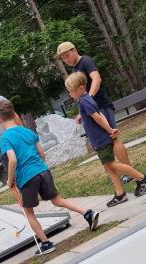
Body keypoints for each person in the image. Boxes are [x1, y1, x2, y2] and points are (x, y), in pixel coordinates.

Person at [0, 99, 99, 255]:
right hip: (43, 170)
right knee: (57, 200)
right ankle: (87, 212)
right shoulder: (27, 131)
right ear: (13, 114)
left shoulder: (5, 139)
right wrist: (40, 167)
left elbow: (13, 160)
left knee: (28, 212)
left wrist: (10, 181)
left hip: (27, 177)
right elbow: (42, 153)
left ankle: (46, 243)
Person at [65, 72, 146, 207]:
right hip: (99, 140)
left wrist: (110, 130)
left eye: (71, 91)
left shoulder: (85, 101)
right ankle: (120, 194)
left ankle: (141, 178)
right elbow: (100, 115)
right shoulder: (87, 99)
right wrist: (110, 129)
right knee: (108, 167)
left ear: (81, 88)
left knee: (111, 165)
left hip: (101, 140)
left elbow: (98, 118)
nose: (70, 94)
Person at [57, 41, 134, 184]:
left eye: (67, 55)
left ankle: (130, 171)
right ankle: (117, 174)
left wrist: (89, 99)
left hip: (101, 106)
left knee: (113, 138)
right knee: (107, 142)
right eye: (63, 58)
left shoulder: (86, 61)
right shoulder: (75, 70)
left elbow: (96, 79)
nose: (66, 59)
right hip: (92, 110)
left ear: (75, 50)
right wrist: (82, 111)